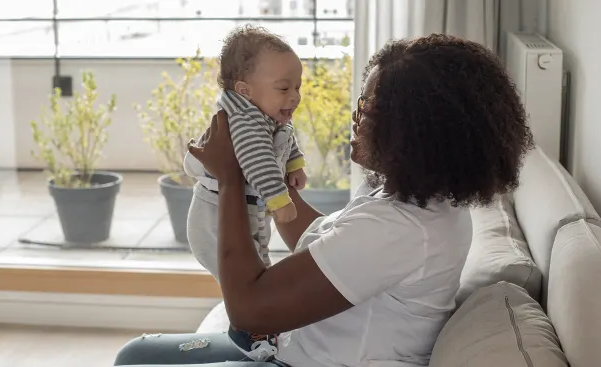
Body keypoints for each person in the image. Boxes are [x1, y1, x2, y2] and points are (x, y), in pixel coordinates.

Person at [114, 34, 534, 367]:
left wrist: (228, 180)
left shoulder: (400, 230)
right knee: (134, 354)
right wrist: (270, 180)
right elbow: (325, 240)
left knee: (132, 360)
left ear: (413, 129)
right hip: (287, 348)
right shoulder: (417, 198)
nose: (355, 117)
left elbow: (247, 310)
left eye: (367, 108)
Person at [183, 25, 309, 360]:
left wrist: (295, 164)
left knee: (259, 267)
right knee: (251, 275)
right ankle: (250, 332)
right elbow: (258, 162)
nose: (294, 96)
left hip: (242, 209)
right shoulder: (245, 122)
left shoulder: (269, 115)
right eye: (284, 88)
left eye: (298, 86)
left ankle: (260, 325)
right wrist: (279, 200)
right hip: (215, 217)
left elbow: (286, 139)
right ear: (244, 90)